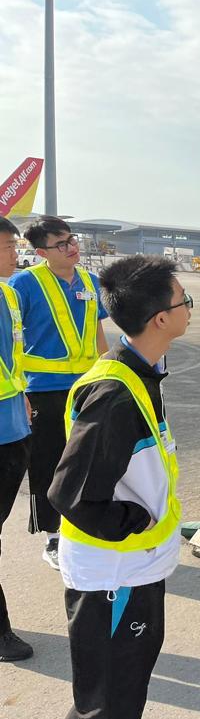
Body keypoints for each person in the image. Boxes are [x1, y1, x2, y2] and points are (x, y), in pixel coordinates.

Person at [47, 255, 190, 719]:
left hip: (134, 567)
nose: (190, 308)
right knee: (109, 707)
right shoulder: (116, 394)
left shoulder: (142, 372)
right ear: (161, 319)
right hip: (114, 573)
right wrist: (132, 520)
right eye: (184, 300)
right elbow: (70, 494)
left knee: (106, 699)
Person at [9, 216, 109, 569]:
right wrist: (18, 389)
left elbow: (97, 332)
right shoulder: (24, 284)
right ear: (41, 252)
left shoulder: (90, 282)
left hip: (87, 386)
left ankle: (85, 527)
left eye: (72, 239)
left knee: (90, 460)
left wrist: (107, 374)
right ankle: (53, 537)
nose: (71, 247)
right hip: (43, 390)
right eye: (61, 244)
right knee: (48, 463)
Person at [0, 216, 33, 662]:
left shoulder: (8, 293)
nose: (15, 253)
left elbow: (13, 358)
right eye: (8, 246)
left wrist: (22, 397)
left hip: (14, 431)